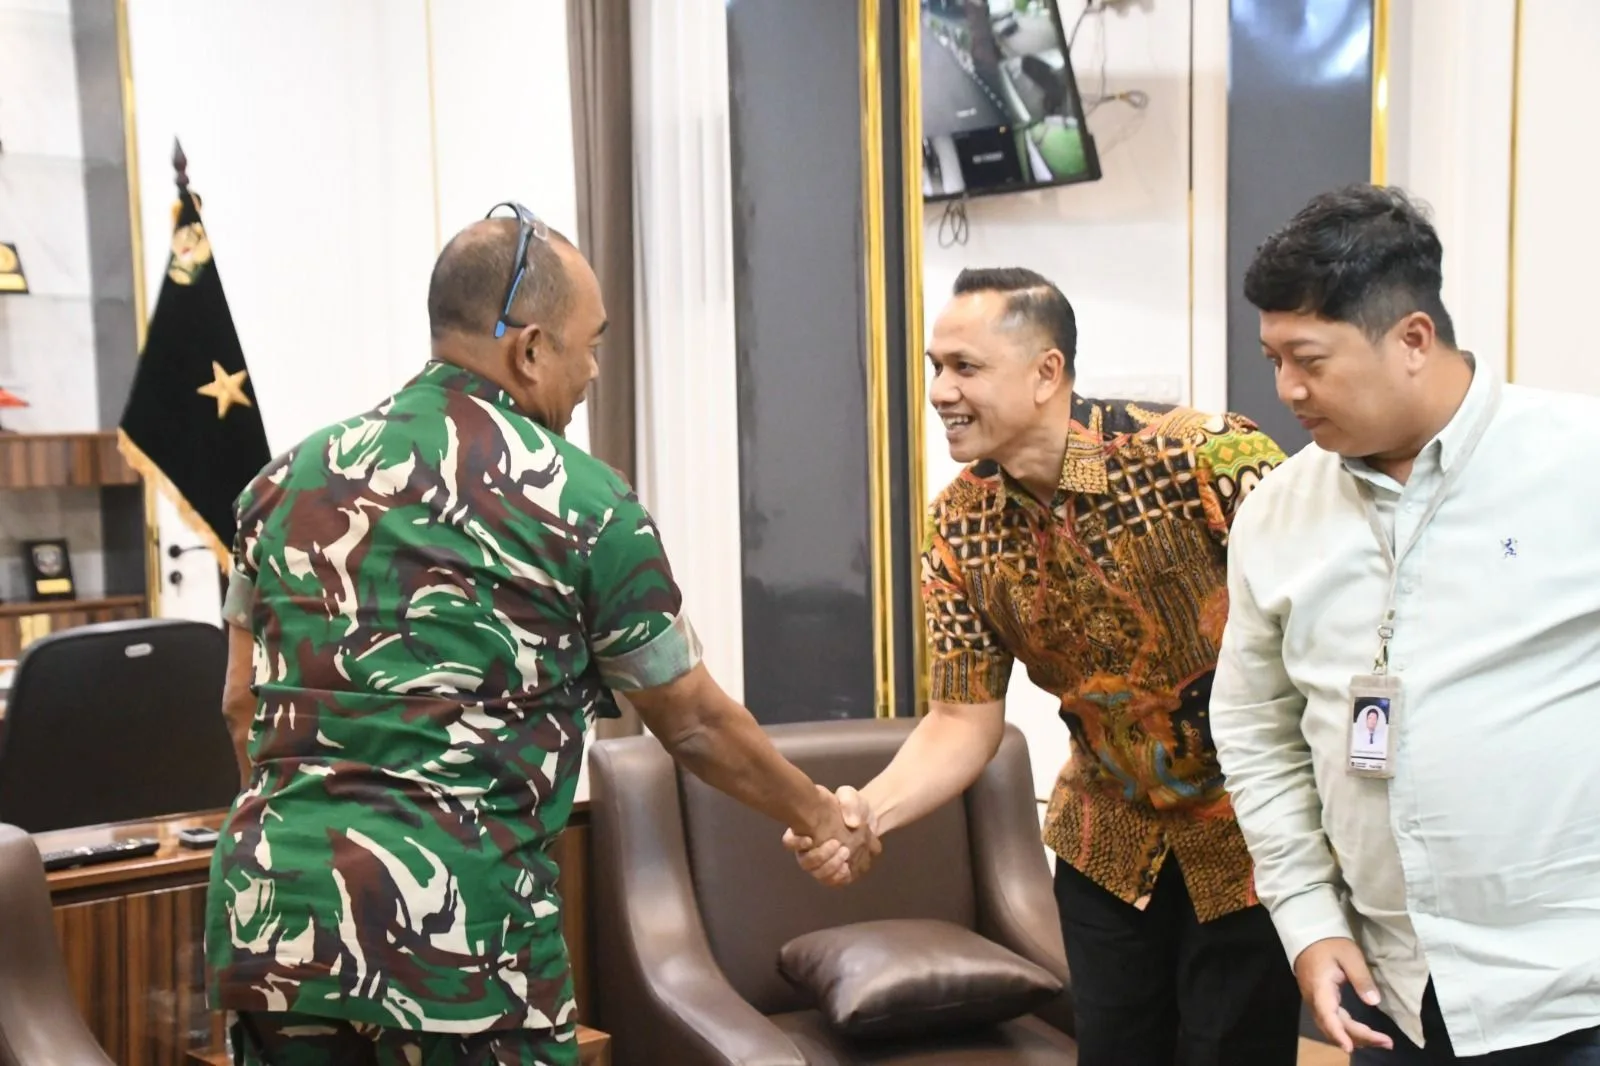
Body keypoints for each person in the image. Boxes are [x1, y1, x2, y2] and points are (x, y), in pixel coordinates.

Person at [205, 203, 877, 1066]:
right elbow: (695, 723)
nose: (593, 371)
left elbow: (240, 703)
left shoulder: (281, 482)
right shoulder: (585, 503)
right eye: (588, 346)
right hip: (458, 944)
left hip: (273, 928)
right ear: (528, 349)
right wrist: (820, 815)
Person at [788, 267, 1292, 1065]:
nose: (941, 391)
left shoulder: (1203, 457)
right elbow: (962, 719)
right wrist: (866, 815)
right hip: (1107, 848)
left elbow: (1326, 639)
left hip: (1255, 843)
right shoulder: (959, 526)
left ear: (1046, 372)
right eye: (935, 367)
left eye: (965, 367)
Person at [1211, 183, 1600, 1063]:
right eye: (1273, 358)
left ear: (1413, 340)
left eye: (1309, 359)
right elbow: (1256, 732)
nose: (1287, 389)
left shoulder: (1579, 463)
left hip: (1571, 990)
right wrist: (1308, 919)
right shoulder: (1276, 513)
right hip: (1394, 993)